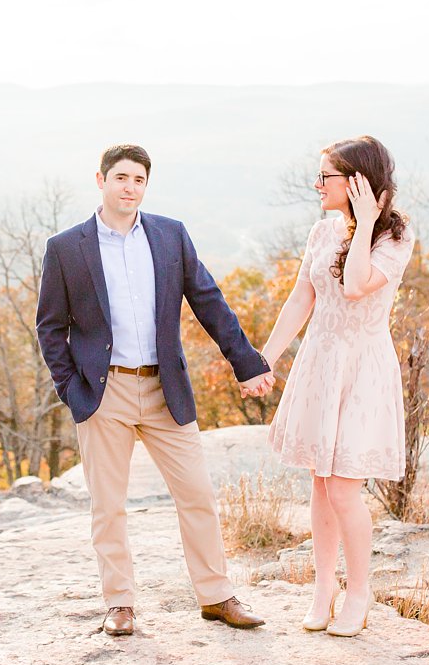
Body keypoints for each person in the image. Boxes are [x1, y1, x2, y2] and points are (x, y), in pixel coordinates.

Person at [36, 144, 275, 636]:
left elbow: (209, 301)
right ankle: (119, 603)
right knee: (109, 505)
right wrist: (71, 390)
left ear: (146, 185)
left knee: (197, 495)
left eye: (139, 180)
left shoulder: (169, 235)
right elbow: (50, 327)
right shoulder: (66, 248)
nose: (130, 187)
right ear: (100, 180)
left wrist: (247, 363)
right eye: (121, 177)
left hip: (166, 390)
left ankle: (216, 595)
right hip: (105, 395)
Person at [258, 136, 414, 637]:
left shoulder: (394, 238)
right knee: (320, 485)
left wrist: (367, 222)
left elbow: (353, 286)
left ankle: (359, 592)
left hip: (363, 367)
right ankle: (322, 587)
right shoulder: (321, 231)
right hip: (320, 363)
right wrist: (264, 358)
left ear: (356, 182)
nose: (316, 184)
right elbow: (300, 300)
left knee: (345, 488)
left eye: (325, 176)